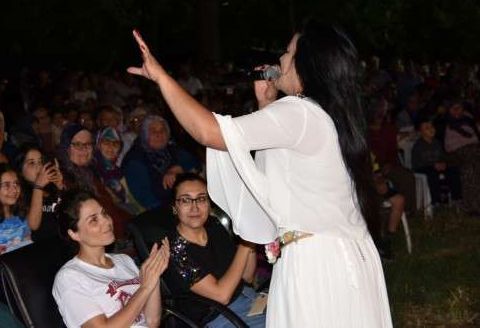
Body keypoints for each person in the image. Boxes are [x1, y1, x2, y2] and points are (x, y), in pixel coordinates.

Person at [128, 23, 392, 327]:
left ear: (305, 64)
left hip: (318, 261)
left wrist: (161, 77)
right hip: (336, 253)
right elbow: (273, 184)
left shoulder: (300, 112)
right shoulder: (324, 113)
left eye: (288, 52)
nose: (280, 58)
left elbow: (208, 132)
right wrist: (266, 105)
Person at [52, 189, 168, 328]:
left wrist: (153, 275)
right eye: (94, 220)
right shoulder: (69, 277)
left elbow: (152, 321)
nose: (107, 221)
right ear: (74, 234)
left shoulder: (124, 260)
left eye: (104, 213)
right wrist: (144, 288)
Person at [168, 173, 266, 328]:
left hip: (249, 298)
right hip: (219, 317)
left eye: (201, 199)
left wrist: (249, 239)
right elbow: (221, 296)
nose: (195, 207)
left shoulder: (214, 226)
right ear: (175, 207)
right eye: (185, 200)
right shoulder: (175, 251)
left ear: (209, 204)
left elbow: (247, 276)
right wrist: (244, 244)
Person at [57, 124, 131, 242]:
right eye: (77, 144)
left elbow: (109, 206)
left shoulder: (89, 172)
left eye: (88, 144)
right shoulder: (62, 178)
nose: (84, 149)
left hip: (115, 234)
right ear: (66, 147)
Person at [122, 116, 200, 210]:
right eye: (153, 131)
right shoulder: (135, 160)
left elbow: (197, 164)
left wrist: (178, 168)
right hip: (164, 210)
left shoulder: (170, 148)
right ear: (144, 134)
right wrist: (177, 210)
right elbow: (148, 200)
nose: (159, 134)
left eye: (163, 130)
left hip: (189, 200)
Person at [15, 145, 65, 241]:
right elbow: (33, 225)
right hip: (40, 246)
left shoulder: (50, 188)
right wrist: (38, 186)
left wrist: (60, 187)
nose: (38, 167)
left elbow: (69, 216)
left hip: (61, 242)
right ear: (20, 171)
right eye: (32, 163)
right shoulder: (19, 194)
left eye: (40, 162)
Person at [411, 118, 462, 205]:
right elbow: (418, 162)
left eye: (431, 126)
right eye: (427, 128)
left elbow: (441, 156)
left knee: (453, 170)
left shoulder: (437, 142)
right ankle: (436, 202)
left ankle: (456, 198)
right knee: (432, 175)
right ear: (420, 132)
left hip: (436, 165)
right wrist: (433, 165)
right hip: (422, 167)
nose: (431, 129)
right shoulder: (418, 146)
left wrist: (445, 162)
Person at [92, 127, 142, 216]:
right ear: (98, 144)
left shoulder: (118, 172)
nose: (111, 147)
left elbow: (133, 198)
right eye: (106, 142)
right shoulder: (91, 171)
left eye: (115, 143)